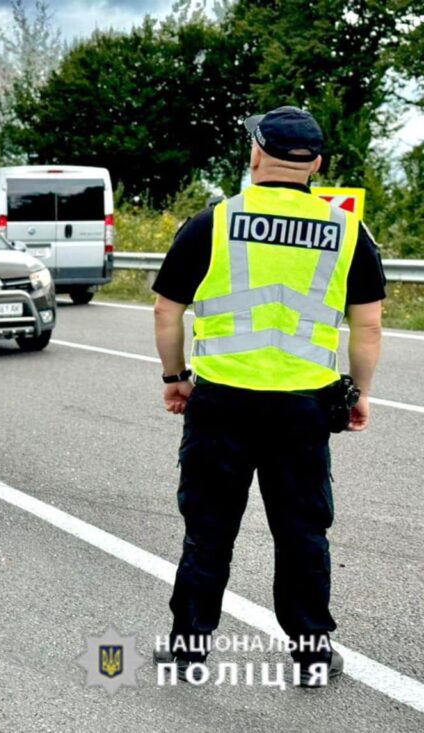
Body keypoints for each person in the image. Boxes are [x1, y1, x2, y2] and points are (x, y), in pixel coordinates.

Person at [151, 106, 386, 687]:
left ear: (255, 155)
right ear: (317, 166)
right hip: (303, 408)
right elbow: (370, 326)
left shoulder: (215, 221)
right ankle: (310, 658)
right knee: (303, 534)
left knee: (209, 530)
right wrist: (358, 393)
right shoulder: (347, 230)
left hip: (222, 404)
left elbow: (167, 309)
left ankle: (187, 653)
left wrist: (174, 377)